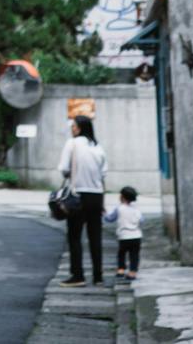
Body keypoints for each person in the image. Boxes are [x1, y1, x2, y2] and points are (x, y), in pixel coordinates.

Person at [56, 114, 108, 287]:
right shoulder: (98, 147)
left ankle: (78, 275)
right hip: (96, 196)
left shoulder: (72, 143)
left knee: (75, 237)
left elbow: (64, 169)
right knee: (95, 237)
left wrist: (72, 173)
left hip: (78, 196)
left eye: (74, 126)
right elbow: (103, 176)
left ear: (79, 128)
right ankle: (98, 276)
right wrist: (103, 203)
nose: (72, 129)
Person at [104, 185, 144, 280]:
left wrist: (104, 214)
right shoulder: (136, 209)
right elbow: (142, 220)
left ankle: (121, 270)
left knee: (122, 254)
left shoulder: (119, 208)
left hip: (124, 237)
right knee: (134, 255)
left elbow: (110, 219)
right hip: (136, 236)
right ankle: (132, 272)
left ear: (122, 197)